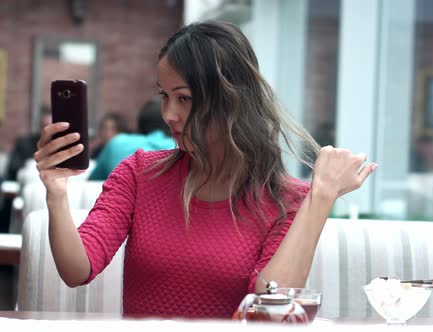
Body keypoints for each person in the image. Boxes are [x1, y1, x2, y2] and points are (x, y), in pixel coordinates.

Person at [33, 21, 377, 318]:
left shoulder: (287, 199)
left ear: (231, 100)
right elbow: (78, 269)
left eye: (183, 98)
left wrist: (320, 199)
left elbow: (270, 308)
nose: (169, 114)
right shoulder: (139, 173)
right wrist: (56, 192)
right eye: (165, 96)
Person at [88, 97, 175, 180]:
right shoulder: (179, 149)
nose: (107, 133)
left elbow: (93, 181)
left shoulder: (117, 143)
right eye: (104, 128)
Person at [5, 106, 52, 181]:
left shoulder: (61, 145)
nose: (46, 131)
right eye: (44, 126)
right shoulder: (25, 143)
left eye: (50, 127)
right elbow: (13, 168)